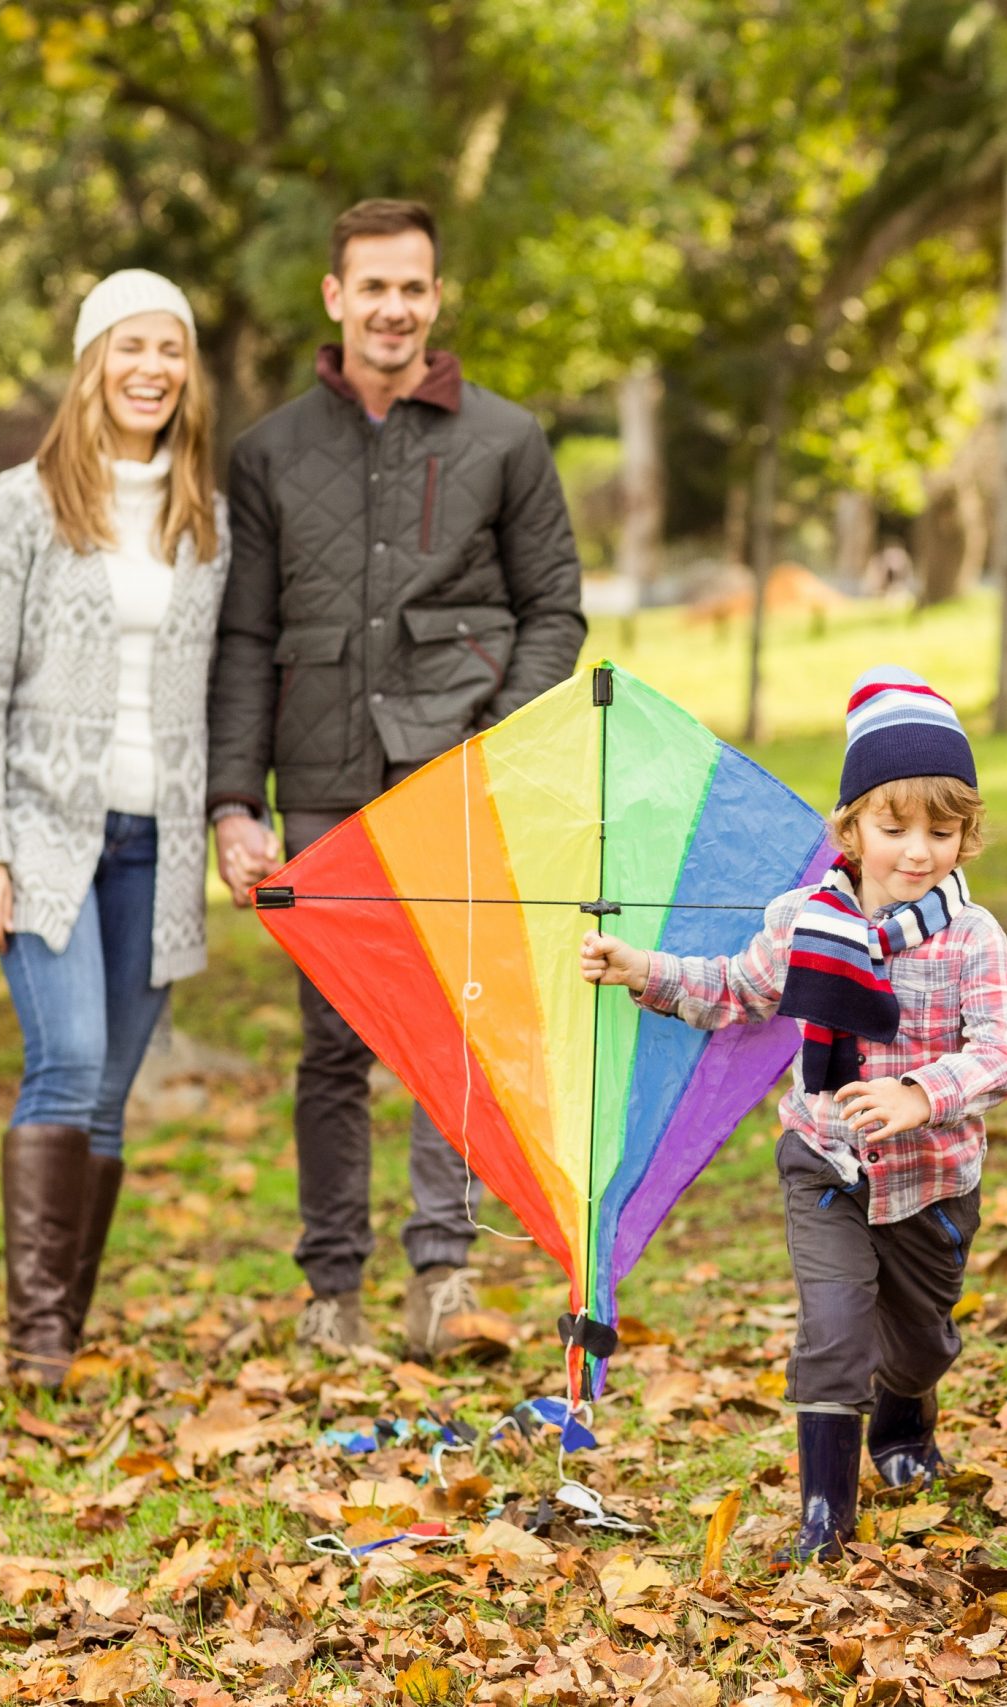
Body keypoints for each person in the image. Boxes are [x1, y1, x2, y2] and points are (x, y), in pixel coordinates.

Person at [206, 198, 585, 1357]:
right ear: (334, 297)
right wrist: (232, 802)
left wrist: (493, 745)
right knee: (332, 1045)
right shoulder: (270, 453)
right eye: (372, 286)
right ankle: (331, 1295)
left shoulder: (506, 441)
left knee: (446, 1032)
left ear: (436, 299)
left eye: (412, 288)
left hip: (449, 782)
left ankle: (444, 1282)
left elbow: (553, 611)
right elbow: (241, 636)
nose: (393, 308)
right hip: (317, 778)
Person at [582, 668, 1007, 1564]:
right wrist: (645, 970)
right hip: (823, 1163)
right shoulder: (801, 921)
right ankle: (826, 1517)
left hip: (934, 1183)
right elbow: (739, 991)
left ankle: (904, 1418)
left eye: (942, 831)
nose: (918, 851)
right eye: (894, 827)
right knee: (833, 1329)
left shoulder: (972, 936)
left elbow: (1004, 1052)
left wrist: (918, 1095)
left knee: (918, 1344)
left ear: (966, 835)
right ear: (850, 828)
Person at [0, 269, 229, 1386]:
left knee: (110, 1090)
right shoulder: (22, 504)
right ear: (91, 363)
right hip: (44, 834)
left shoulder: (202, 518)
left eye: (170, 349)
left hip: (154, 845)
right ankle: (36, 1342)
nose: (151, 368)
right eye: (129, 347)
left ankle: (59, 1329)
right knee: (62, 1059)